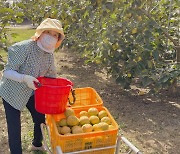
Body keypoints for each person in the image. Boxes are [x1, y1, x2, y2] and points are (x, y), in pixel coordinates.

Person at [0, 18, 65, 154]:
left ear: (58, 38)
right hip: (12, 91)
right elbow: (7, 72)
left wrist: (59, 92)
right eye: (48, 32)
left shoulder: (49, 54)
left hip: (31, 91)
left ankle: (36, 144)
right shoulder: (23, 48)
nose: (51, 37)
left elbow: (51, 76)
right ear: (40, 33)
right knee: (14, 128)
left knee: (40, 117)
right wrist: (24, 78)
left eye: (55, 35)